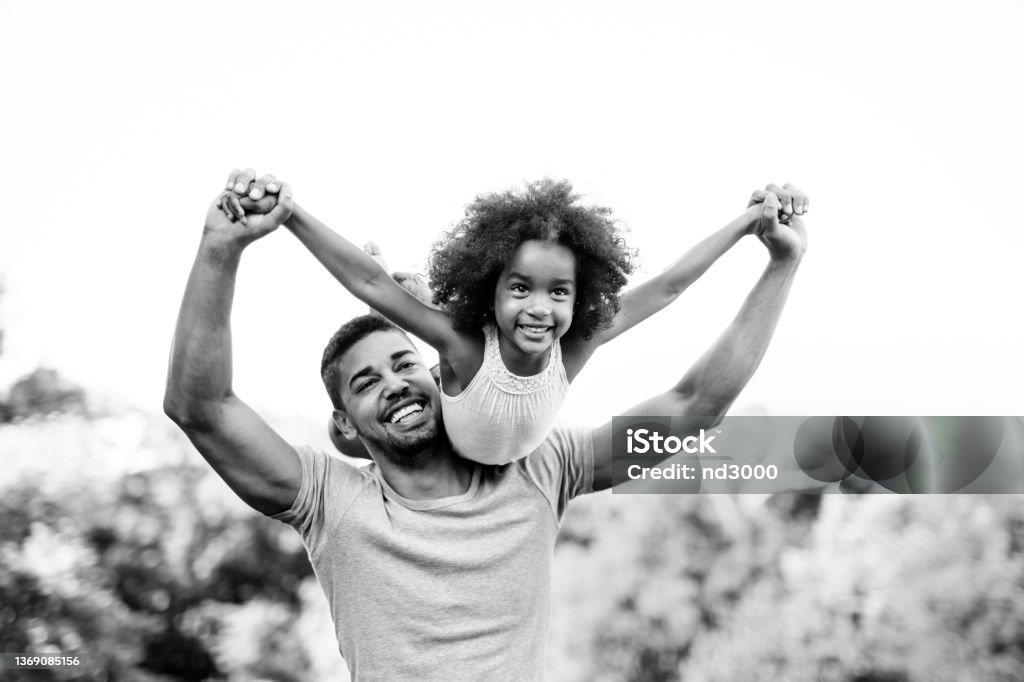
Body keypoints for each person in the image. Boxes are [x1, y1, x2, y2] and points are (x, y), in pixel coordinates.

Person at [165, 172, 808, 680]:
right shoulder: (328, 500)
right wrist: (220, 249)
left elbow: (694, 406)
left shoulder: (541, 466)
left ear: (438, 376)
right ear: (344, 427)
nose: (394, 383)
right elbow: (202, 408)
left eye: (403, 363)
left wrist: (781, 265)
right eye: (366, 383)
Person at [220, 173, 806, 464]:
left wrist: (748, 224)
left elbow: (669, 286)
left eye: (559, 293)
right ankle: (409, 307)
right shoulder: (466, 345)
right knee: (348, 437)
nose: (538, 308)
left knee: (410, 317)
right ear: (489, 289)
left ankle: (412, 302)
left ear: (580, 301)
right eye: (519, 288)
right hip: (450, 423)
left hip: (508, 443)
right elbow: (364, 279)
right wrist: (291, 216)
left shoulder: (578, 344)